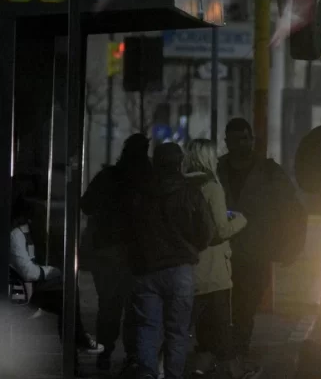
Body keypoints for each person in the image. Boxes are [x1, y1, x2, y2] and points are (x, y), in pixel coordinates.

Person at [218, 119, 304, 361]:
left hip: (257, 252)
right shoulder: (217, 170)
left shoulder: (268, 171)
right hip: (223, 252)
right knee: (227, 305)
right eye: (235, 139)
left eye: (245, 138)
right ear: (227, 142)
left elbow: (292, 209)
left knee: (247, 304)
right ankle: (233, 349)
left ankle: (238, 347)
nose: (241, 144)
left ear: (251, 140)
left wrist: (291, 246)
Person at [128, 143, 216, 379]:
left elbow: (129, 230)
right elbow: (208, 231)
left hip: (146, 269)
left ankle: (147, 374)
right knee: (177, 332)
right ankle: (172, 375)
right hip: (180, 270)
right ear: (179, 163)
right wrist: (192, 248)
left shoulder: (140, 193)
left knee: (147, 327)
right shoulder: (190, 192)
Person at [183, 139, 257, 378]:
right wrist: (241, 219)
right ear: (206, 158)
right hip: (214, 269)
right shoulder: (212, 187)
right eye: (213, 156)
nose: (217, 159)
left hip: (189, 267)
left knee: (197, 325)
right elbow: (221, 231)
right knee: (223, 324)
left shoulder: (183, 185)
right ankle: (235, 372)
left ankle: (198, 367)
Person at [81, 133, 150, 372]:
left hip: (107, 251)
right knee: (134, 307)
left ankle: (105, 353)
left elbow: (86, 204)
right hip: (136, 252)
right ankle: (132, 356)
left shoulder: (108, 176)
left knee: (109, 306)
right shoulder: (148, 179)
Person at [9, 199, 105, 369]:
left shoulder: (38, 234)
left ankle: (75, 353)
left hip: (34, 287)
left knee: (68, 296)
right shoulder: (17, 235)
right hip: (21, 290)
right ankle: (77, 347)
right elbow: (27, 271)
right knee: (65, 300)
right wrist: (54, 271)